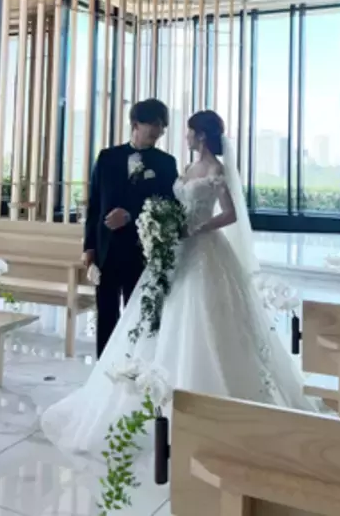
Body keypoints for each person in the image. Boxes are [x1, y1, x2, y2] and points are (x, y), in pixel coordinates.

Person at [41, 109, 313, 463]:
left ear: (200, 135)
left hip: (202, 250)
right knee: (150, 318)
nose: (177, 135)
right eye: (157, 125)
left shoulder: (208, 169)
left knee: (200, 318)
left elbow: (229, 213)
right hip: (169, 250)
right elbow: (154, 203)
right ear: (137, 124)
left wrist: (193, 228)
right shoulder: (178, 166)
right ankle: (131, 387)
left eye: (186, 131)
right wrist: (159, 226)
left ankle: (199, 398)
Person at [84, 98, 178, 357]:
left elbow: (169, 206)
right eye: (155, 124)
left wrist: (131, 215)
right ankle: (104, 366)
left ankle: (134, 363)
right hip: (106, 249)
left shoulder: (166, 163)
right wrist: (89, 247)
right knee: (106, 313)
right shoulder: (107, 158)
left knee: (138, 314)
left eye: (163, 126)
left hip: (142, 251)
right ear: (136, 123)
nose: (159, 131)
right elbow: (94, 205)